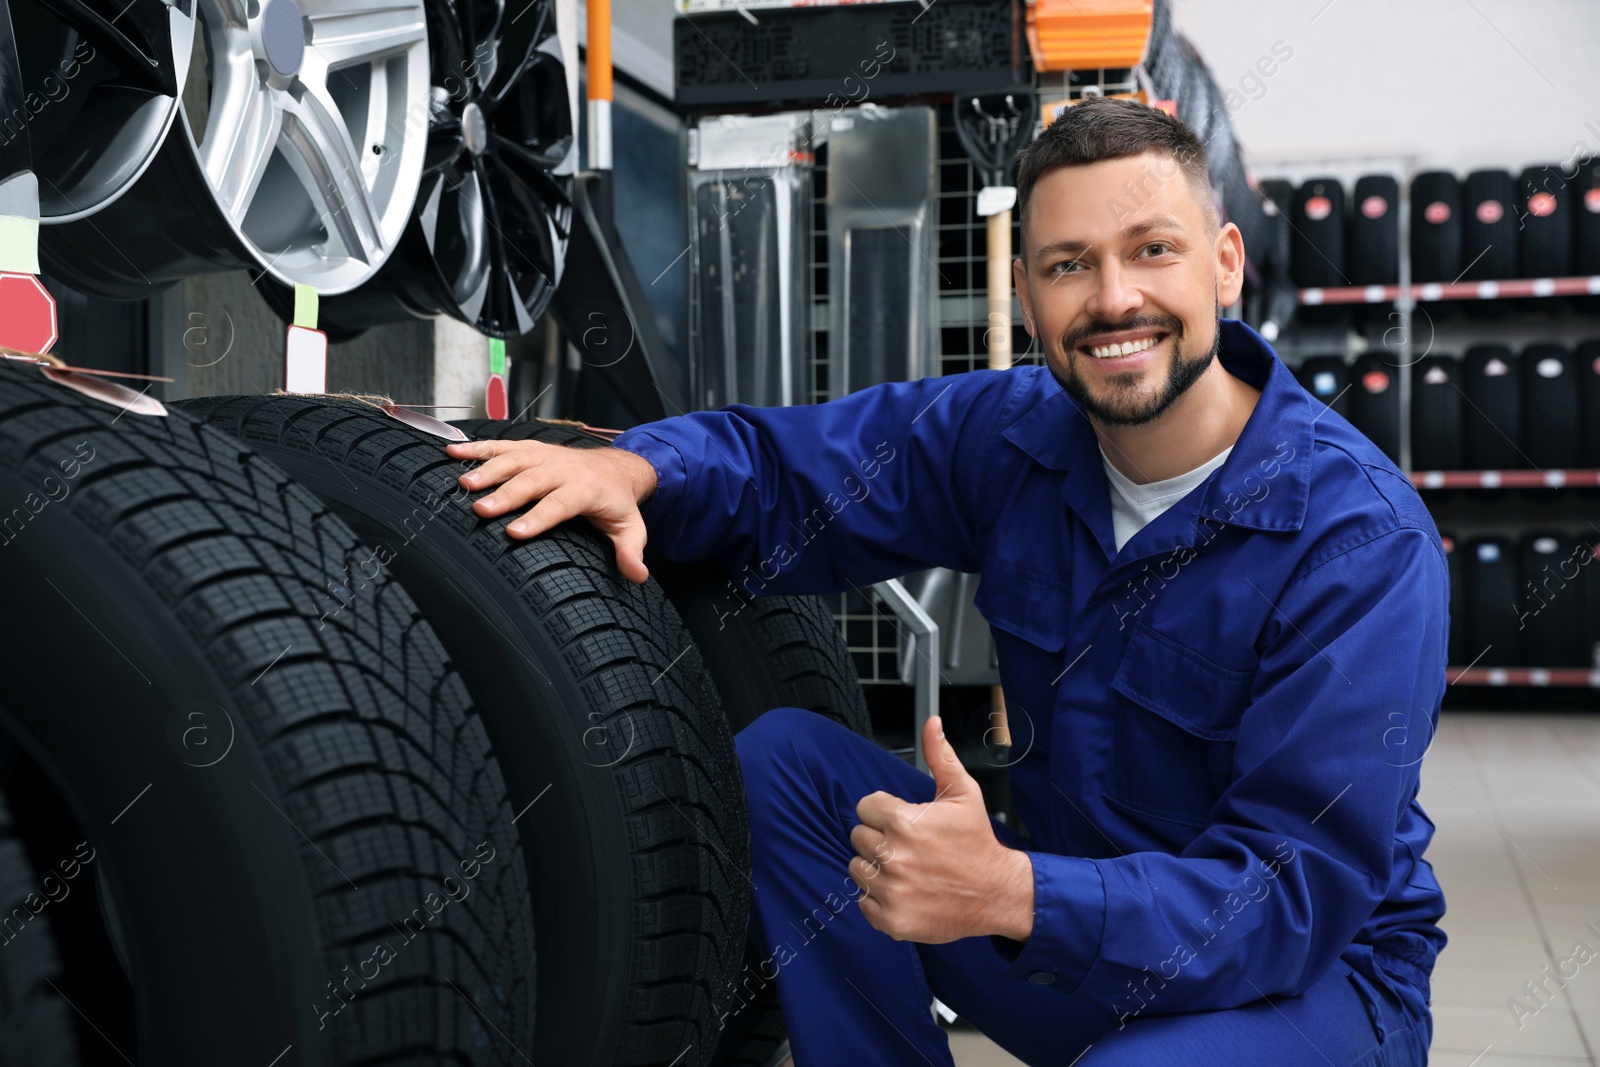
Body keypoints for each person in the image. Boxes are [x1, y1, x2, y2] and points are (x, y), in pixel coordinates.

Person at [444, 96, 1445, 1066]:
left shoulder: (1356, 540)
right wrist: (636, 468)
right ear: (1025, 293)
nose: (1112, 300)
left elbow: (1289, 895)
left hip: (1309, 987)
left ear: (1223, 264)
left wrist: (1015, 892)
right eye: (1068, 265)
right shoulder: (1014, 437)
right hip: (1070, 949)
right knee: (789, 768)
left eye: (1151, 249)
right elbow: (794, 471)